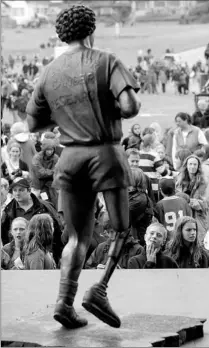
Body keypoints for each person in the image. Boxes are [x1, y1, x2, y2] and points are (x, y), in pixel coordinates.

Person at [26, 5, 141, 329]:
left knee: (76, 237)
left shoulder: (48, 72)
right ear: (91, 31)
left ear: (63, 35)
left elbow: (32, 121)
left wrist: (65, 117)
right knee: (120, 228)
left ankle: (64, 302)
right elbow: (130, 106)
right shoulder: (106, 61)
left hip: (70, 157)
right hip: (105, 153)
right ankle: (99, 290)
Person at [1, 177, 63, 266]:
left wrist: (54, 252)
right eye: (15, 190)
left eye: (21, 190)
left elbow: (57, 231)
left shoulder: (45, 207)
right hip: (17, 254)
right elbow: (4, 235)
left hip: (41, 252)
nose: (17, 193)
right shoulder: (8, 211)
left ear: (29, 190)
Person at [176, 155, 208, 243]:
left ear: (198, 167)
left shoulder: (203, 181)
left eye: (195, 164)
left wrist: (187, 200)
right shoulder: (179, 179)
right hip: (183, 212)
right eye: (190, 164)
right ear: (186, 165)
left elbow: (202, 203)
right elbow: (177, 195)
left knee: (197, 240)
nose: (192, 166)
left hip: (198, 215)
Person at [31, 132, 59, 208]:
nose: (50, 152)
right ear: (44, 149)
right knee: (41, 203)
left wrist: (47, 171)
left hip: (50, 184)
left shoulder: (55, 157)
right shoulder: (37, 158)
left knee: (54, 203)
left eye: (52, 149)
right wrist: (51, 172)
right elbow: (40, 174)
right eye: (48, 150)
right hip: (38, 185)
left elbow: (57, 171)